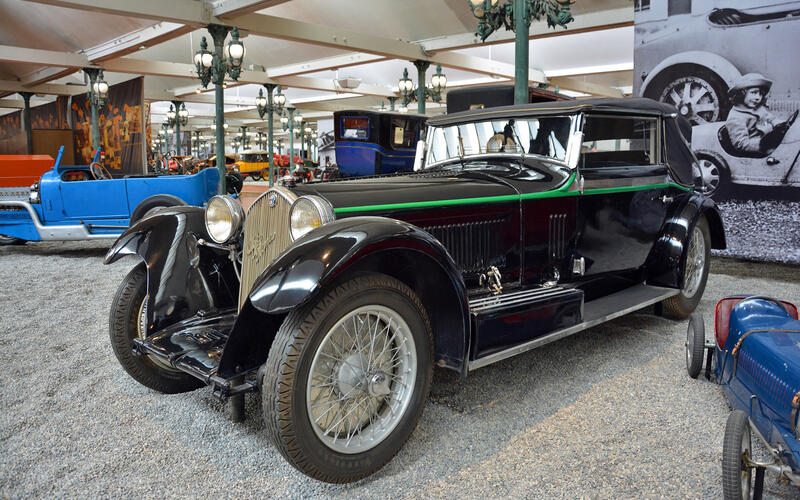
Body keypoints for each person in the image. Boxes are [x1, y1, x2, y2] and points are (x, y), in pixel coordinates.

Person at [725, 73, 795, 155]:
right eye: (754, 93)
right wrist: (763, 143)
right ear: (742, 93)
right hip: (757, 150)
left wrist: (784, 125)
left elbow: (772, 120)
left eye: (761, 94)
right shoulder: (736, 117)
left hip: (770, 142)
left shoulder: (758, 109)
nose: (758, 97)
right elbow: (741, 144)